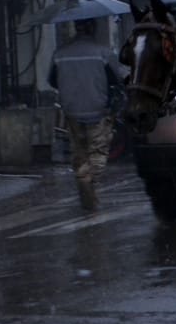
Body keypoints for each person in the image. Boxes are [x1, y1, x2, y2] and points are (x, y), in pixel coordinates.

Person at [49, 18, 126, 211]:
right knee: (98, 151)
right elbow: (119, 78)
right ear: (93, 28)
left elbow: (52, 80)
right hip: (98, 110)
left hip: (71, 110)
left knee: (79, 150)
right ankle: (89, 180)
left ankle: (82, 177)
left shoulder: (60, 53)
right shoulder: (103, 53)